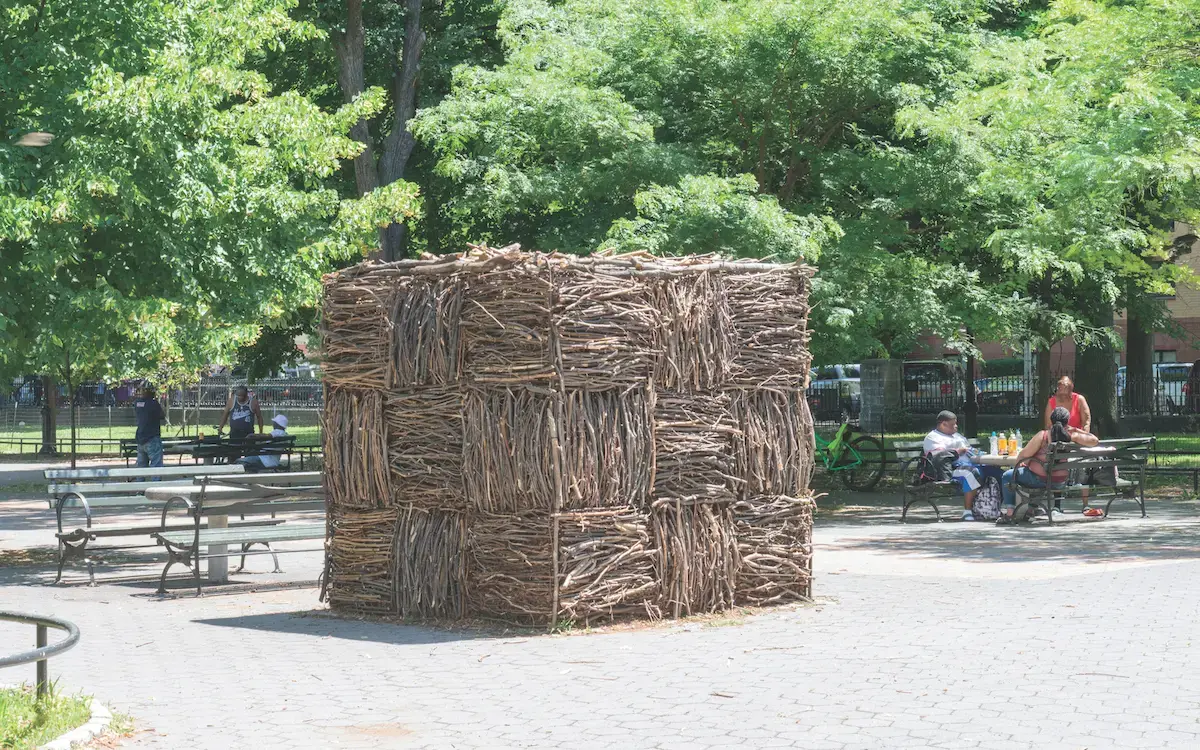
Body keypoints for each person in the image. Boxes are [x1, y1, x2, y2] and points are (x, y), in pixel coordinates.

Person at [999, 406, 1099, 522]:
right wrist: (1076, 430)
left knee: (1008, 476)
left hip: (1039, 479)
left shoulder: (1043, 436)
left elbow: (1023, 455)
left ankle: (1010, 514)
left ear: (1051, 420)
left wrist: (1020, 465)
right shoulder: (1071, 436)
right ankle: (1030, 511)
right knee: (1041, 476)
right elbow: (1094, 440)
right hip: (1059, 482)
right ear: (1067, 421)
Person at [1043, 375, 1093, 512]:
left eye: (1064, 389)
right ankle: (1057, 504)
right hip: (1059, 442)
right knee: (1057, 464)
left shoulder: (1079, 399)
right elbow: (1048, 425)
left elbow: (1087, 421)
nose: (1060, 392)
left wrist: (1082, 436)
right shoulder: (1052, 401)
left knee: (1084, 463)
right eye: (1059, 388)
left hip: (1076, 440)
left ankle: (1085, 503)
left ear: (1071, 390)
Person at [923, 410, 980, 521]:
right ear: (943, 424)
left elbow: (968, 449)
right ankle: (968, 512)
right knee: (970, 473)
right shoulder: (932, 437)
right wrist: (958, 451)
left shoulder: (957, 436)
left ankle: (992, 508)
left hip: (967, 464)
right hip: (947, 470)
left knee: (992, 470)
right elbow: (939, 456)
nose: (956, 426)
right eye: (953, 424)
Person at [134, 384, 166, 468]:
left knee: (141, 466)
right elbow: (162, 415)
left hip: (140, 438)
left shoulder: (137, 403)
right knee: (156, 464)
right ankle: (155, 481)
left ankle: (140, 480)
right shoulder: (153, 403)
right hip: (152, 437)